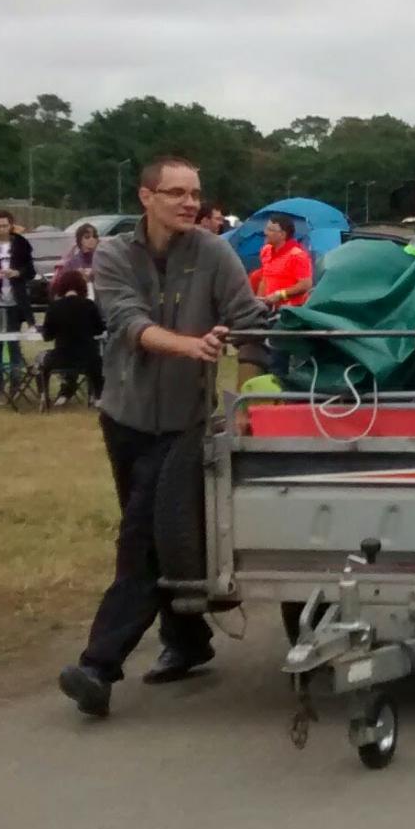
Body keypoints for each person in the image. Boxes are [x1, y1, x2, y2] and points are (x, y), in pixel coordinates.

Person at [57, 156, 268, 719]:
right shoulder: (112, 254)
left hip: (184, 424)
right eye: (174, 192)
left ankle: (98, 667)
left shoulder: (215, 252)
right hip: (122, 418)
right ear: (146, 197)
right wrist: (190, 344)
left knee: (142, 538)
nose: (188, 202)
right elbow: (127, 322)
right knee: (159, 534)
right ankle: (189, 640)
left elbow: (250, 324)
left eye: (194, 192)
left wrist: (246, 403)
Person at [39, 269, 105, 406]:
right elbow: (99, 329)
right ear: (82, 286)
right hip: (87, 358)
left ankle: (44, 396)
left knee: (40, 361)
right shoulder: (89, 305)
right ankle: (98, 397)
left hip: (61, 358)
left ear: (61, 286)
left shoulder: (54, 307)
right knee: (98, 360)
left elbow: (47, 337)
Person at [0, 209, 36, 405]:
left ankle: (16, 386)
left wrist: (16, 272)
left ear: (11, 225)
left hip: (16, 303)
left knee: (13, 344)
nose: (1, 229)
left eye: (5, 225)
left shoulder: (21, 244)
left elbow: (31, 271)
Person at [256, 215, 313, 308]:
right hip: (269, 308)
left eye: (270, 230)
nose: (265, 232)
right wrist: (259, 302)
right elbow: (265, 279)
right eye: (266, 228)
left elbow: (306, 285)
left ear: (282, 234)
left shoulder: (297, 255)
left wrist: (281, 295)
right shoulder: (266, 250)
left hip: (290, 310)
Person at [54, 222, 101, 291]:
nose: (92, 239)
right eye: (87, 237)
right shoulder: (71, 262)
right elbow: (64, 286)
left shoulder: (103, 260)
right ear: (80, 240)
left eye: (94, 236)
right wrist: (77, 277)